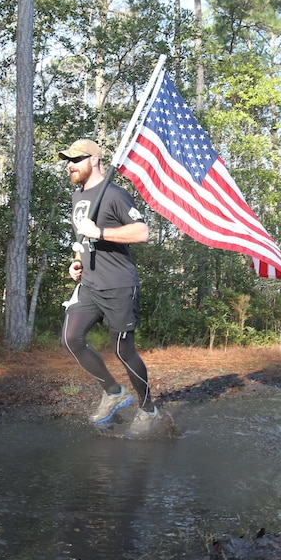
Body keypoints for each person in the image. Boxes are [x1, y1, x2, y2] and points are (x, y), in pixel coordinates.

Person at [58, 138, 170, 439]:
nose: (71, 164)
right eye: (68, 160)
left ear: (94, 159)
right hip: (90, 284)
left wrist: (101, 232)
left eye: (76, 159)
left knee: (123, 350)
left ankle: (149, 411)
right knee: (71, 338)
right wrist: (77, 262)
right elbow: (83, 240)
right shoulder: (77, 196)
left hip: (119, 285)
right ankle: (114, 391)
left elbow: (142, 232)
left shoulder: (114, 194)